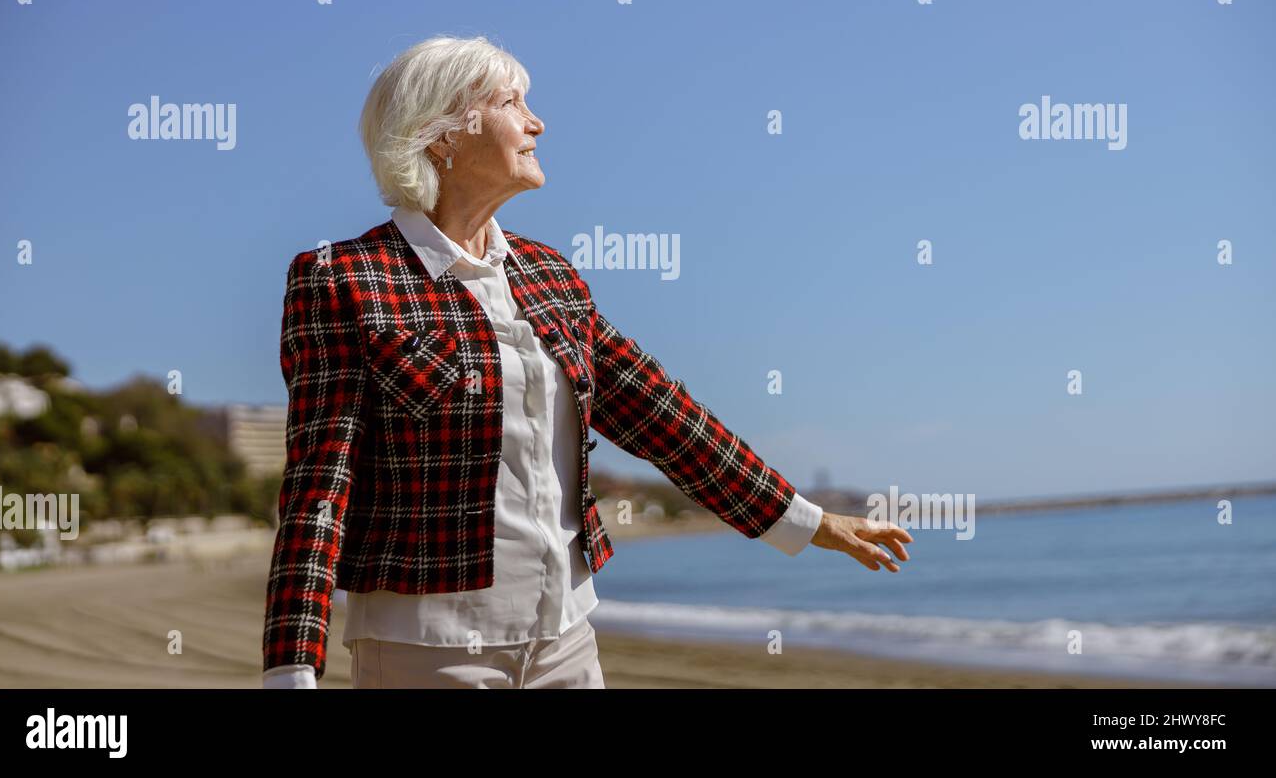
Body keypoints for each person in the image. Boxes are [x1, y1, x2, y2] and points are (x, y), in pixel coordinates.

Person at [261, 35, 913, 688]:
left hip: (567, 641)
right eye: (512, 102)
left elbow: (663, 414)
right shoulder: (342, 280)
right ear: (442, 136)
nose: (536, 122)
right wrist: (292, 667)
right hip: (428, 649)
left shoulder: (551, 276)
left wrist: (808, 521)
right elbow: (320, 486)